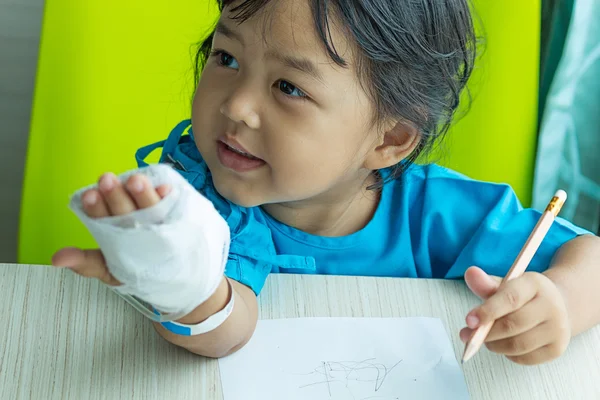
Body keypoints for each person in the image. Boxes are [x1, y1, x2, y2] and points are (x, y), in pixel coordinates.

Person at [52, 0, 600, 365]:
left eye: (289, 88)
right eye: (226, 57)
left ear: (389, 140)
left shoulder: (432, 213)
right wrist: (181, 282)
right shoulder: (200, 194)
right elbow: (228, 327)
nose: (238, 106)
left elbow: (591, 260)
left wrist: (558, 303)